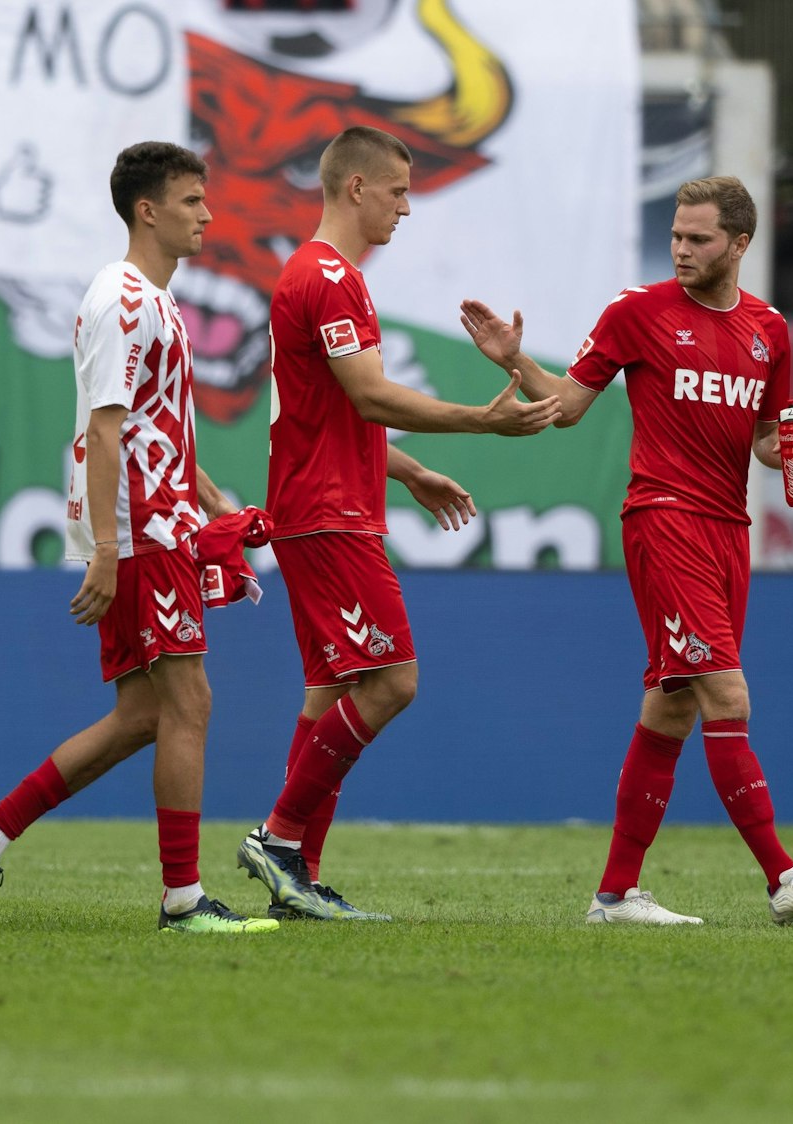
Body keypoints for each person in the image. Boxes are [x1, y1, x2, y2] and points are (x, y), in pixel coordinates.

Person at [459, 175, 793, 925]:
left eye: (698, 238)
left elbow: (766, 437)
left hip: (728, 529)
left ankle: (615, 895)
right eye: (675, 235)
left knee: (671, 708)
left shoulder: (769, 329)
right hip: (663, 521)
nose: (680, 249)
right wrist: (512, 359)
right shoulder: (637, 312)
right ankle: (783, 878)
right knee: (727, 697)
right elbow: (567, 409)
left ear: (739, 245)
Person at [0, 142, 278, 936]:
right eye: (192, 201)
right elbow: (104, 427)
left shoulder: (156, 300)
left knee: (143, 714)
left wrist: (212, 500)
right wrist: (106, 549)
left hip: (158, 522)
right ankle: (183, 901)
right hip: (141, 532)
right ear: (147, 210)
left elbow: (153, 425)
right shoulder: (124, 299)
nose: (208, 215)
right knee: (189, 702)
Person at [232, 126, 561, 921]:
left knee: (330, 693)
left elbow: (328, 411)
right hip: (329, 515)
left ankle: (297, 881)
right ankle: (278, 840)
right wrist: (484, 422)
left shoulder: (311, 273)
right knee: (391, 681)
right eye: (398, 192)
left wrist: (408, 471)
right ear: (356, 188)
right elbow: (372, 395)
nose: (406, 209)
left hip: (321, 506)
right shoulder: (330, 277)